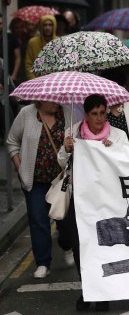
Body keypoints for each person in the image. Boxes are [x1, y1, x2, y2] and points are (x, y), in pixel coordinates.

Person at [58, 94, 129, 311]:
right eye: (94, 114)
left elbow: (127, 162)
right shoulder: (73, 132)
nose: (99, 118)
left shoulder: (119, 135)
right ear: (86, 115)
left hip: (107, 201)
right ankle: (87, 290)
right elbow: (61, 162)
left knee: (104, 246)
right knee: (81, 247)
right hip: (80, 200)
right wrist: (66, 149)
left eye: (102, 113)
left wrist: (113, 152)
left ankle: (103, 291)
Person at [6, 101, 76, 278]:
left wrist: (71, 144)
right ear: (40, 99)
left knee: (65, 220)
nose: (55, 103)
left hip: (61, 180)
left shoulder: (67, 113)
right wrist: (20, 168)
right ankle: (43, 262)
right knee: (39, 221)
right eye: (51, 100)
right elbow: (12, 142)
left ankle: (67, 245)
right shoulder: (26, 114)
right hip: (35, 180)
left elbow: (78, 142)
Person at [25, 15, 58, 80]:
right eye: (45, 25)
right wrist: (33, 80)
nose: (47, 28)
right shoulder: (32, 42)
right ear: (41, 27)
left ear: (54, 26)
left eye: (50, 25)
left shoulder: (60, 42)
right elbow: (28, 64)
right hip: (36, 80)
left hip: (54, 80)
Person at [1, 15, 22, 82]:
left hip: (9, 74)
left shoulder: (12, 38)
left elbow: (17, 58)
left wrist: (14, 75)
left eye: (0, 23)